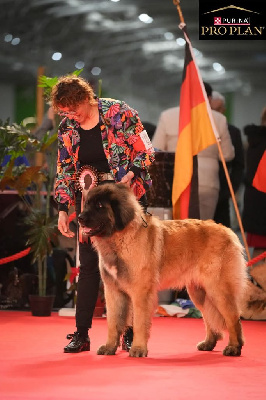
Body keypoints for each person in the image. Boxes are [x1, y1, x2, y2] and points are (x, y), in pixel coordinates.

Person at [50, 75, 155, 353]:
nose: (71, 115)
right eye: (65, 112)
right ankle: (81, 334)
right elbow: (64, 170)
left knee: (131, 269)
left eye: (73, 109)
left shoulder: (119, 112)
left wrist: (130, 174)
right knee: (87, 268)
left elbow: (147, 150)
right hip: (87, 203)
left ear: (86, 98)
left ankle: (130, 333)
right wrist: (63, 209)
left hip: (123, 201)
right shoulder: (67, 128)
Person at [152, 82, 235, 220]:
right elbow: (227, 155)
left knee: (177, 230)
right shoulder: (219, 119)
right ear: (208, 98)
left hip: (176, 181)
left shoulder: (167, 116)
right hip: (207, 183)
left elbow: (156, 149)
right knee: (202, 231)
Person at [211, 91, 245, 228]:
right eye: (213, 109)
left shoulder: (233, 132)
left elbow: (238, 165)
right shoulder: (196, 130)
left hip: (222, 193)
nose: (216, 113)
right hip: (199, 192)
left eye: (219, 109)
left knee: (222, 234)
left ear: (223, 110)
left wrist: (231, 190)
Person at [242, 106, 266, 262]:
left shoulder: (255, 142)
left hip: (256, 206)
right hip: (261, 205)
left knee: (259, 252)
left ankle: (258, 284)